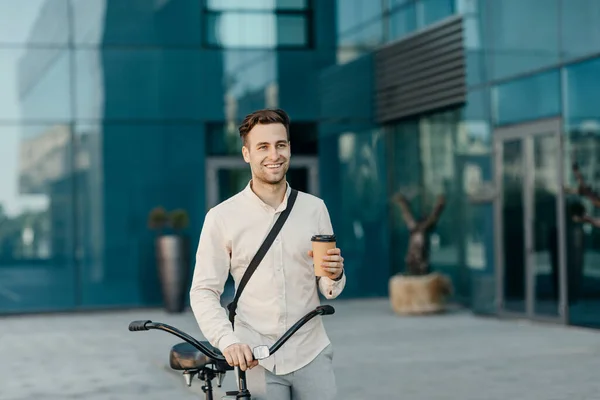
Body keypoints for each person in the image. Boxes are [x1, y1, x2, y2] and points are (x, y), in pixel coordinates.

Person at [190, 108, 346, 399]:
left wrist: (335, 275)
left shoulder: (315, 208)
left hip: (311, 352)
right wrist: (228, 341)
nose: (274, 154)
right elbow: (203, 291)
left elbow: (328, 286)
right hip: (256, 358)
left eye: (281, 145)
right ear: (247, 154)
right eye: (263, 147)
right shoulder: (221, 217)